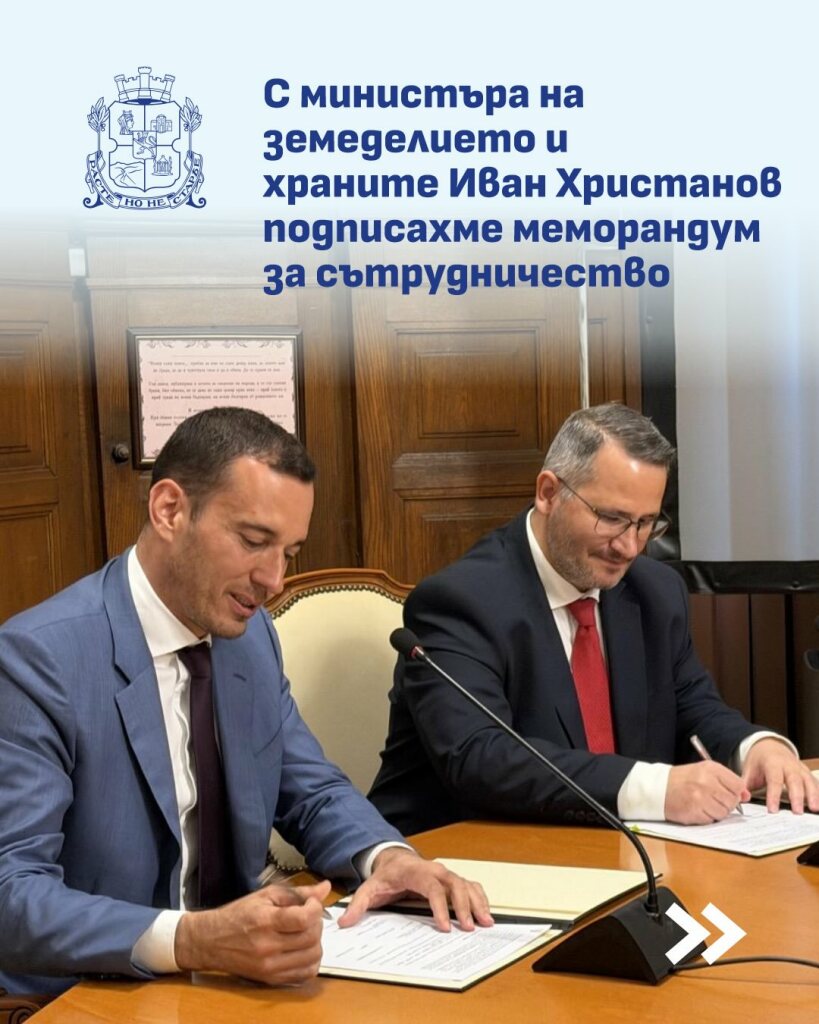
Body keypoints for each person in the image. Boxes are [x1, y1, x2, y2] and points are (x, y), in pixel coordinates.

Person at [0, 408, 491, 997]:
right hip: (89, 991)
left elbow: (311, 789)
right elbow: (11, 892)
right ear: (169, 510)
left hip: (233, 984)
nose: (273, 580)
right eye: (254, 542)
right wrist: (192, 940)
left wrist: (387, 858)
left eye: (289, 552)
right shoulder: (40, 660)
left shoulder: (249, 637)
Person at [369, 403, 819, 836]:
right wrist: (655, 789)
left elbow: (693, 706)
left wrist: (755, 747)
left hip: (614, 851)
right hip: (456, 858)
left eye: (646, 523)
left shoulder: (655, 592)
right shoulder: (461, 602)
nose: (629, 546)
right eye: (612, 518)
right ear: (549, 493)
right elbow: (480, 756)